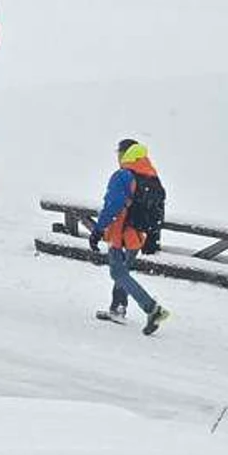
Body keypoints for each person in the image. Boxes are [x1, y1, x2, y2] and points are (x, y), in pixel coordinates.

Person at [92, 138, 172, 335]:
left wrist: (98, 230)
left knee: (117, 273)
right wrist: (153, 237)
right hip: (138, 235)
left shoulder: (123, 176)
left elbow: (112, 205)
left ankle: (152, 309)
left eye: (119, 153)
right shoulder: (151, 175)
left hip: (119, 233)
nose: (118, 157)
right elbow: (158, 208)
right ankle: (118, 308)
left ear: (124, 154)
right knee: (123, 272)